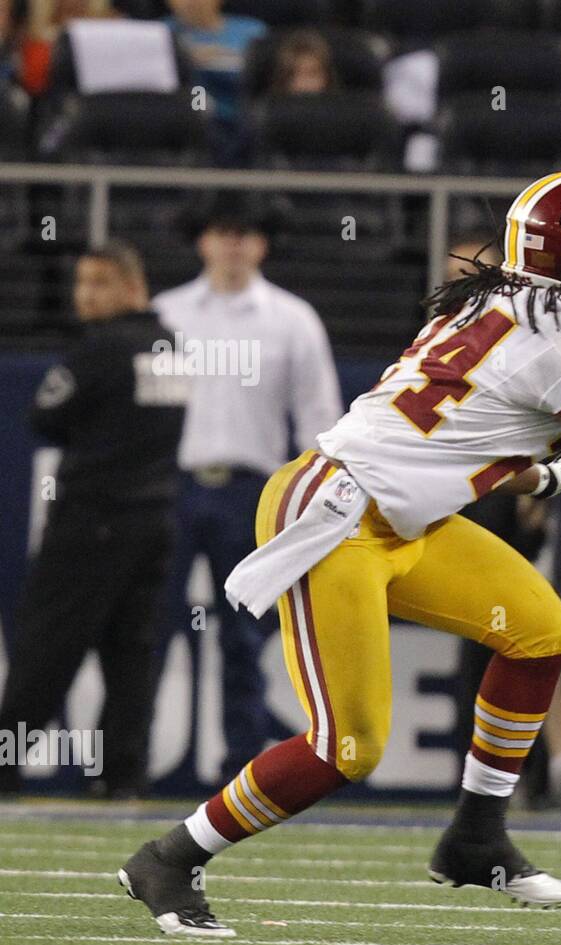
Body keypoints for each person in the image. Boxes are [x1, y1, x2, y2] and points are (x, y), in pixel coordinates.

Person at [116, 169, 561, 936]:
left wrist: (551, 469)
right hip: (336, 520)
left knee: (543, 630)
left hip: (396, 514)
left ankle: (476, 836)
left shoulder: (491, 296)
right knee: (348, 747)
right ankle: (170, 858)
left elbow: (464, 430)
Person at [154, 193, 341, 788]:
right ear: (202, 239)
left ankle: (243, 772)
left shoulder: (292, 319)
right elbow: (146, 413)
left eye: (245, 233)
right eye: (222, 231)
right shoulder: (167, 313)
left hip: (252, 492)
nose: (233, 244)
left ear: (262, 243)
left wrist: (313, 501)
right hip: (172, 487)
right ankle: (130, 761)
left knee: (244, 630)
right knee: (148, 625)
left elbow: (319, 418)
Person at [0, 242, 185, 799]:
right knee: (130, 649)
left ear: (133, 286)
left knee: (47, 642)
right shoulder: (170, 346)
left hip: (92, 518)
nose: (85, 295)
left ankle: (5, 761)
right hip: (153, 517)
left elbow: (45, 414)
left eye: (99, 283)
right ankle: (121, 772)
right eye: (81, 282)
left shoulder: (100, 348)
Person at [164, 0, 265, 165]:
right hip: (196, 98)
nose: (190, 3)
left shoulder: (252, 30)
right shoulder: (161, 31)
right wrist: (187, 59)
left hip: (241, 101)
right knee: (197, 98)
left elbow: (263, 70)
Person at [269, 27, 334, 96]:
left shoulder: (343, 105)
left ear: (326, 77)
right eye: (296, 74)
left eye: (312, 74)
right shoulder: (265, 105)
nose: (305, 83)